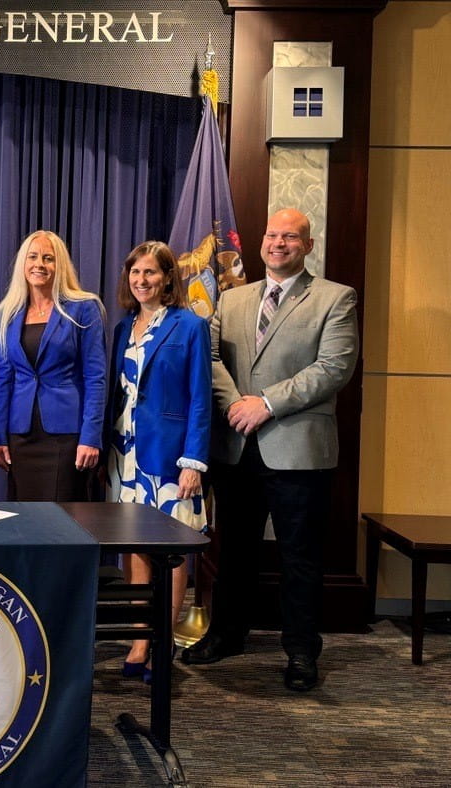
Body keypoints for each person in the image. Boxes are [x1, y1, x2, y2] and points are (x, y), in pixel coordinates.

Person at [180, 208, 359, 692]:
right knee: (233, 551)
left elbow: (333, 368)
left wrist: (267, 403)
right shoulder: (232, 299)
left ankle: (301, 650)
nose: (278, 243)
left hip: (298, 450)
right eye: (272, 235)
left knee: (300, 556)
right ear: (261, 241)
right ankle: (227, 635)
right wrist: (237, 403)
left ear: (308, 245)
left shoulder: (335, 298)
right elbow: (210, 357)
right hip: (236, 446)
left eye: (290, 237)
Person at [105, 241, 211, 681]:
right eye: (135, 272)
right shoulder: (121, 328)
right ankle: (140, 639)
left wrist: (194, 460)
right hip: (124, 456)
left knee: (168, 552)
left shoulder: (190, 326)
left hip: (169, 457)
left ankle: (163, 640)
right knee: (133, 548)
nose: (142, 280)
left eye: (151, 273)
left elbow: (201, 396)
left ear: (168, 278)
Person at [0, 230, 107, 501]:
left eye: (48, 258)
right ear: (23, 263)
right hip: (21, 435)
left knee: (63, 521)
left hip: (66, 436)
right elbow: (2, 380)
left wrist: (90, 437)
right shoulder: (7, 313)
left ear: (60, 265)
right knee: (24, 521)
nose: (39, 264)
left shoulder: (84, 308)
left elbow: (95, 378)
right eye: (32, 257)